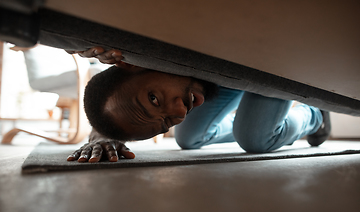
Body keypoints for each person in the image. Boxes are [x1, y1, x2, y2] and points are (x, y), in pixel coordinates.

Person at [66, 47, 331, 163]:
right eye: (165, 123)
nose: (180, 112)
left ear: (132, 64)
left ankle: (314, 115)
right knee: (188, 138)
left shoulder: (144, 44)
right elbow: (116, 107)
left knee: (254, 140)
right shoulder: (181, 96)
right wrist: (103, 135)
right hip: (218, 80)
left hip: (266, 64)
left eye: (153, 98)